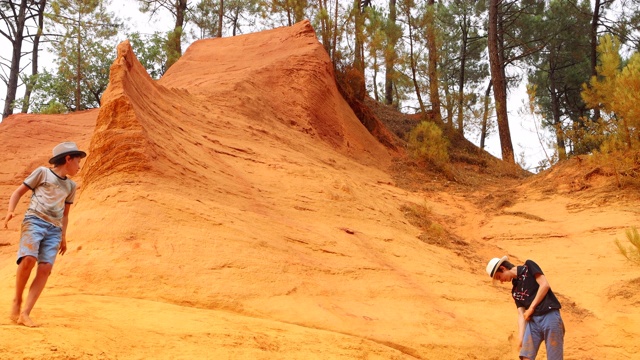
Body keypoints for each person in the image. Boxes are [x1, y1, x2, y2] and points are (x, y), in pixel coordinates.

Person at [4, 141, 86, 327]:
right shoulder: (43, 172)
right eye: (78, 161)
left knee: (45, 268)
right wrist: (10, 211)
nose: (79, 166)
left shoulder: (71, 186)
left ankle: (25, 313)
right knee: (28, 259)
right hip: (34, 220)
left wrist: (64, 236)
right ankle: (17, 299)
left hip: (54, 229)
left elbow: (65, 215)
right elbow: (18, 193)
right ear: (68, 159)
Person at [486, 256, 565, 360]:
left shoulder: (528, 266)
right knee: (525, 356)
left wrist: (531, 308)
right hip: (533, 322)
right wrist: (521, 337)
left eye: (499, 277)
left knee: (554, 357)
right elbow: (521, 315)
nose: (501, 281)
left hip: (549, 315)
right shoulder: (515, 291)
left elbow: (544, 285)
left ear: (503, 268)